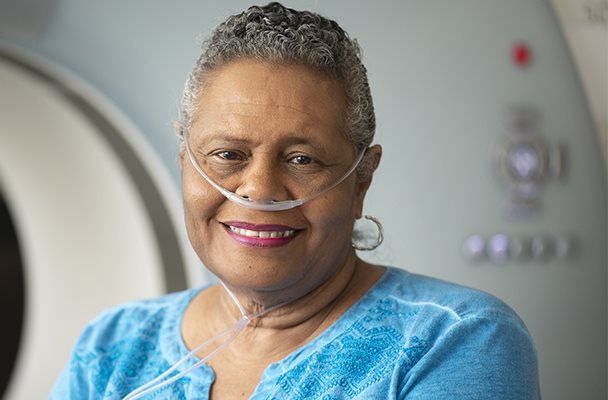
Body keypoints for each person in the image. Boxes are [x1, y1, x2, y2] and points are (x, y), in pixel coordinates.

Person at [49, 3, 540, 399]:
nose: (260, 190)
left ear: (361, 179)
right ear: (185, 165)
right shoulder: (113, 346)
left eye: (302, 159)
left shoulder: (456, 340)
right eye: (227, 155)